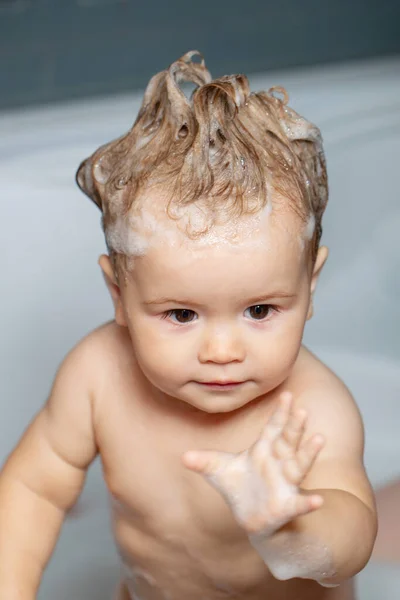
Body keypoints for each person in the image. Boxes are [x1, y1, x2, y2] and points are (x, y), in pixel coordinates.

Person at [0, 50, 377, 600]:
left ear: (310, 287)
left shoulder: (310, 407)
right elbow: (35, 487)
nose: (223, 350)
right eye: (181, 314)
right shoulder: (97, 376)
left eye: (260, 310)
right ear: (119, 296)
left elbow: (352, 534)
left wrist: (288, 531)